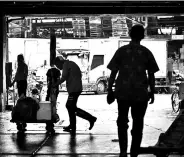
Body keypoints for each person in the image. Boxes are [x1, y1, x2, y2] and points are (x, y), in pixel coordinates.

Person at [107, 25, 159, 157]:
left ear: (130, 34)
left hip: (122, 93)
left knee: (122, 122)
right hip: (140, 94)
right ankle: (134, 153)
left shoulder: (121, 51)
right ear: (142, 36)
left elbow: (113, 72)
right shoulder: (146, 52)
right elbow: (151, 74)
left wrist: (109, 90)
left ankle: (123, 152)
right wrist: (152, 91)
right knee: (138, 123)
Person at [53, 56, 97, 134]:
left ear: (60, 62)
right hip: (75, 88)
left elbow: (63, 77)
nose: (57, 67)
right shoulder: (71, 63)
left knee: (70, 106)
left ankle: (91, 118)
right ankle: (73, 125)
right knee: (71, 107)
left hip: (74, 89)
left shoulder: (66, 65)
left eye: (57, 65)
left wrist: (54, 84)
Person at [45, 64, 61, 133]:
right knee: (53, 105)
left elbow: (47, 80)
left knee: (48, 104)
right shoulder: (57, 71)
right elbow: (59, 80)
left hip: (50, 90)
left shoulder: (49, 71)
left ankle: (49, 121)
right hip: (55, 89)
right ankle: (52, 119)